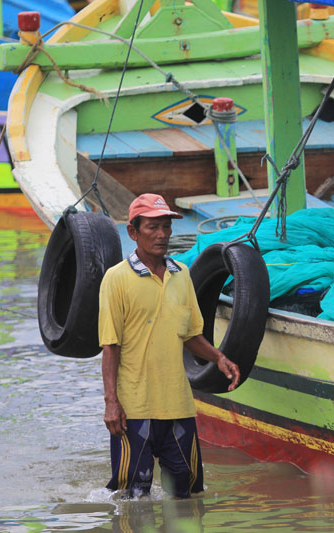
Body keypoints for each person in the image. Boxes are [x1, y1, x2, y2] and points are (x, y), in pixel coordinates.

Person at [98, 193, 240, 499]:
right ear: (133, 233)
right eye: (152, 227)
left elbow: (190, 336)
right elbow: (110, 346)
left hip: (177, 405)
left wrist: (219, 358)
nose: (162, 234)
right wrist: (111, 402)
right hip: (134, 409)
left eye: (166, 227)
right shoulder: (116, 279)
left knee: (186, 497)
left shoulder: (181, 274)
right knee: (132, 499)